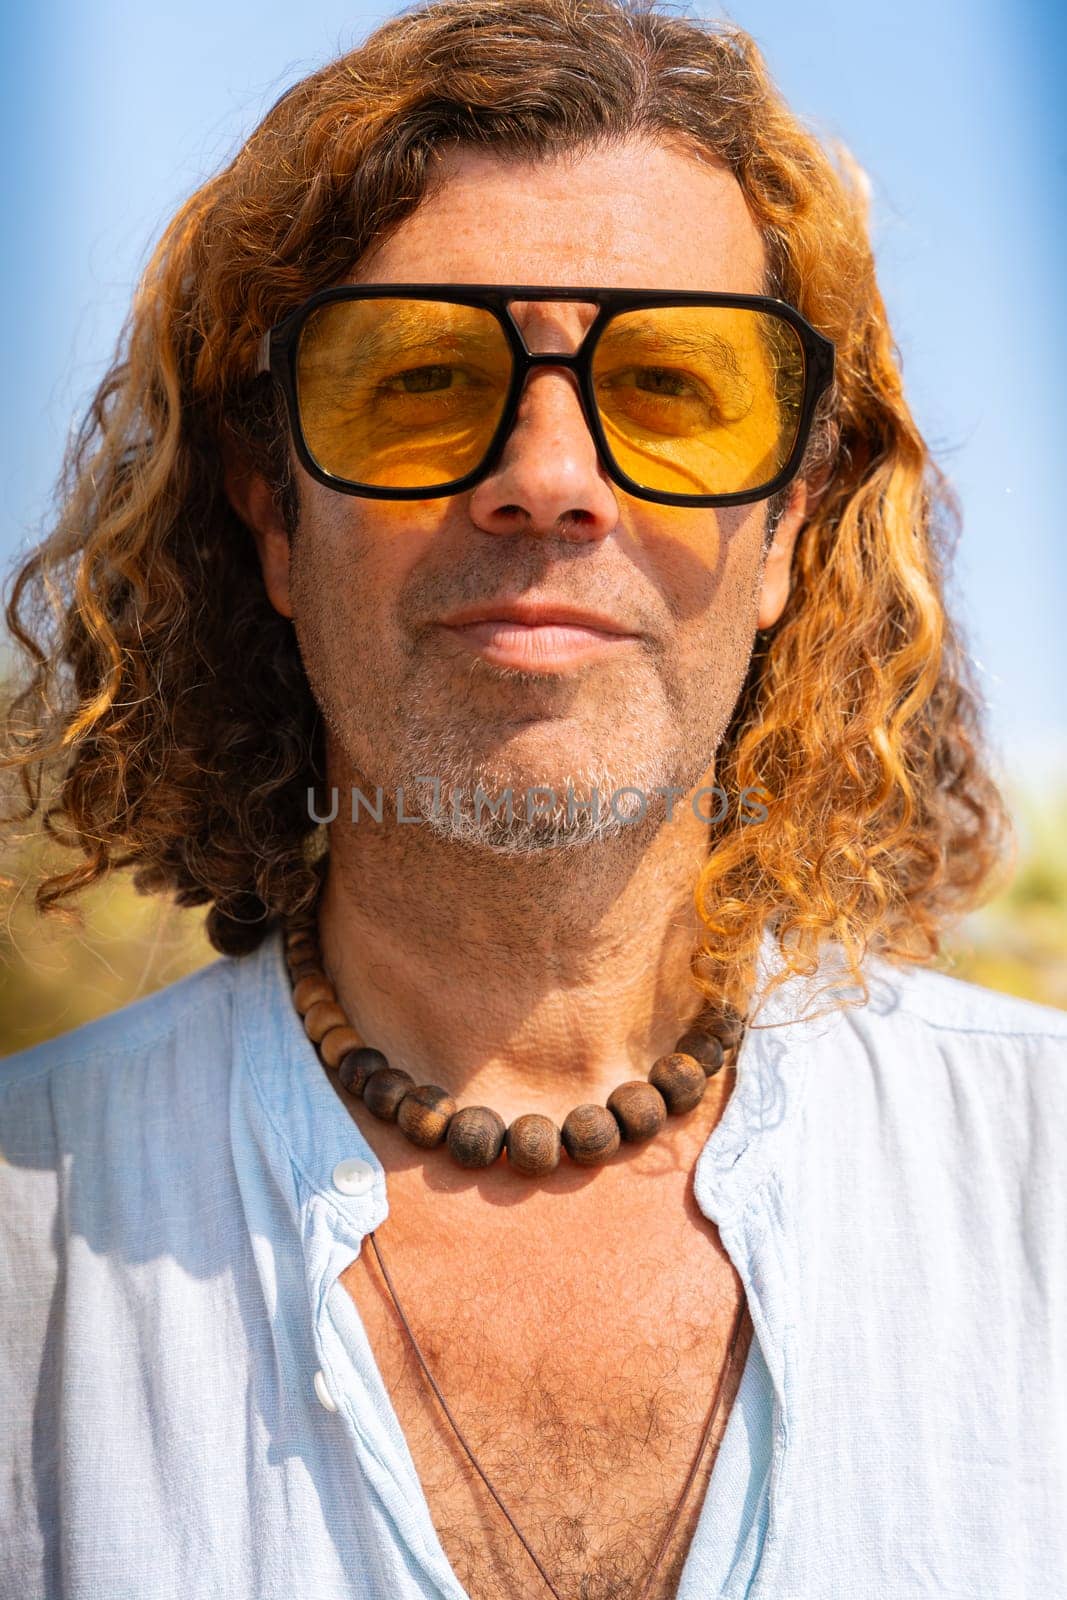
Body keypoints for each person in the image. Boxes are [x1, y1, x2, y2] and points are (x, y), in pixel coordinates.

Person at [2, 0, 1064, 1596]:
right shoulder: (27, 1229)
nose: (551, 474)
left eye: (675, 387)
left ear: (790, 528)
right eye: (421, 379)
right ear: (271, 516)